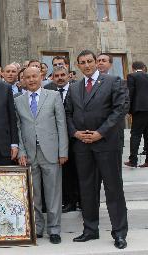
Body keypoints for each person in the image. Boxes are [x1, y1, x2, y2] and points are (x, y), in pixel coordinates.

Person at [65, 50, 128, 249]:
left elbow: (120, 109)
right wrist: (75, 133)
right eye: (82, 62)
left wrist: (101, 132)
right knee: (87, 190)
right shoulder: (74, 88)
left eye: (90, 61)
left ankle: (119, 233)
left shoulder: (113, 81)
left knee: (113, 189)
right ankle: (90, 230)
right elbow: (67, 114)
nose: (87, 65)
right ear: (78, 65)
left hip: (107, 144)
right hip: (82, 147)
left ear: (95, 62)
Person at [15, 66, 68, 244]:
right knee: (34, 193)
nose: (31, 80)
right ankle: (37, 227)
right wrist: (21, 151)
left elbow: (61, 125)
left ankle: (54, 229)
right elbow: (18, 129)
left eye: (34, 76)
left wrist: (63, 151)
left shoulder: (53, 96)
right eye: (27, 77)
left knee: (53, 193)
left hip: (51, 152)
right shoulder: (18, 100)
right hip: (29, 154)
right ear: (23, 80)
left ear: (41, 77)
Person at [45, 66, 80, 213]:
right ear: (52, 77)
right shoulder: (48, 92)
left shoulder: (76, 90)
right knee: (65, 172)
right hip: (56, 139)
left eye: (62, 75)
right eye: (56, 75)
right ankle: (69, 201)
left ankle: (82, 200)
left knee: (78, 171)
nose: (60, 78)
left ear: (69, 76)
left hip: (75, 138)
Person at [125, 61, 148, 168]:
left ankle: (133, 160)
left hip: (139, 110)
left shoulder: (132, 76)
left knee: (135, 135)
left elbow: (131, 93)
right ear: (143, 68)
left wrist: (129, 110)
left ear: (133, 68)